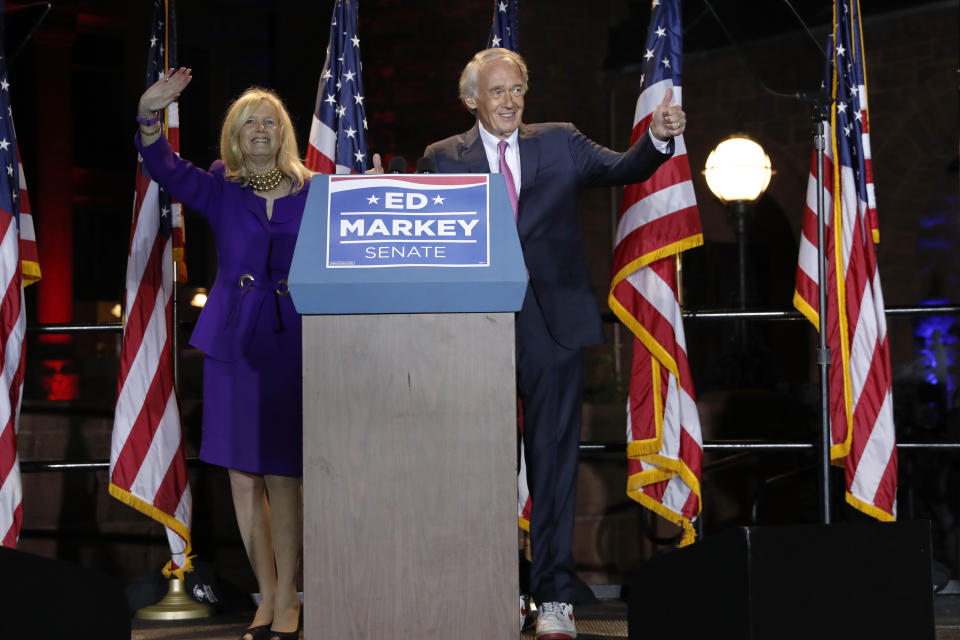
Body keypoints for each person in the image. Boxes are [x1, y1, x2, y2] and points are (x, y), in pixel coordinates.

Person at [422, 48, 687, 640]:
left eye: (517, 88)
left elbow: (626, 167)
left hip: (555, 324)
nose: (511, 100)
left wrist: (660, 139)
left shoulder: (561, 141)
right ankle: (494, 591)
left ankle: (554, 600)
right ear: (471, 100)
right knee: (479, 465)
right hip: (477, 327)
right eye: (497, 92)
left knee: (553, 465)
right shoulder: (443, 158)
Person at [136, 68, 310, 640]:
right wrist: (149, 114)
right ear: (235, 138)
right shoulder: (221, 186)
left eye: (269, 122)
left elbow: (359, 225)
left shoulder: (316, 190)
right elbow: (163, 166)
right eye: (248, 123)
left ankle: (289, 599)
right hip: (232, 342)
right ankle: (265, 594)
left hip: (292, 344)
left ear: (283, 133)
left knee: (285, 475)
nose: (260, 129)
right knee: (242, 477)